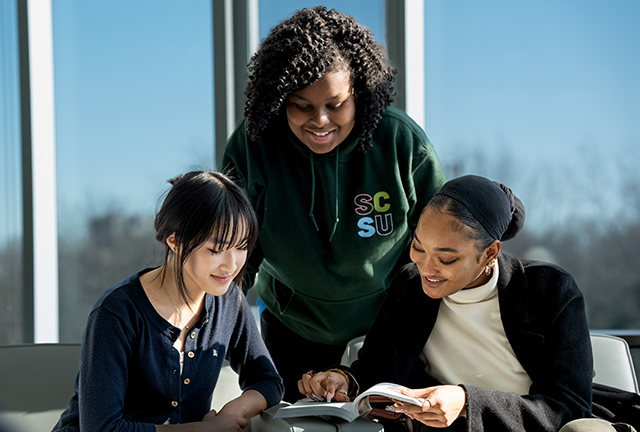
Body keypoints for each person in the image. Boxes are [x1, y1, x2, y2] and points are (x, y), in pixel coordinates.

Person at [219, 6, 447, 402]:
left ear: (359, 92)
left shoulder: (400, 141)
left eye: (335, 104)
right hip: (293, 325)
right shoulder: (254, 144)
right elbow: (235, 251)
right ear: (279, 99)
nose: (321, 120)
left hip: (388, 324)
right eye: (302, 106)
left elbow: (445, 240)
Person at [298, 174, 595, 431]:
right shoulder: (410, 286)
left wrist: (467, 402)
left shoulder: (550, 289)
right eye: (418, 247)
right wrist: (341, 379)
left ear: (490, 253)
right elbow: (376, 367)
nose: (426, 268)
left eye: (447, 258)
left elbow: (568, 407)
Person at [52, 170, 284, 432]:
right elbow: (101, 429)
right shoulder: (116, 312)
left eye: (241, 247)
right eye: (216, 250)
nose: (231, 266)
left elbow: (268, 380)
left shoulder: (229, 300)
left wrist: (232, 413)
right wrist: (201, 430)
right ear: (175, 241)